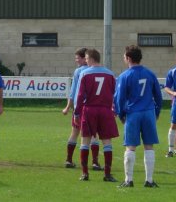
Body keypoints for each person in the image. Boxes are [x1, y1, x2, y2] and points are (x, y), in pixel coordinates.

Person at [115, 45, 163, 188]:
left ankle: (128, 180)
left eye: (124, 56)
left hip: (133, 114)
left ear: (129, 58)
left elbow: (119, 99)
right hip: (148, 112)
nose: (123, 58)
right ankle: (149, 180)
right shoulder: (150, 73)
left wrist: (121, 114)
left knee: (130, 147)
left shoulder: (125, 76)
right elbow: (158, 96)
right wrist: (157, 112)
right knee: (149, 146)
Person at [73, 49, 117, 182]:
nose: (85, 61)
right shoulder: (110, 74)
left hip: (89, 109)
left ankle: (85, 174)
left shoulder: (84, 73)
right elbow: (114, 93)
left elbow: (80, 95)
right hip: (105, 110)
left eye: (86, 58)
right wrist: (114, 108)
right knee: (107, 142)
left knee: (85, 140)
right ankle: (107, 174)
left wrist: (76, 112)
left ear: (91, 58)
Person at [61, 48, 103, 170]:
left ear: (86, 58)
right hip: (93, 107)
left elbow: (74, 91)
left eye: (78, 58)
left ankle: (69, 159)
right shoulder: (98, 70)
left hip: (80, 107)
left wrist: (69, 107)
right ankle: (95, 162)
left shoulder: (79, 71)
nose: (77, 60)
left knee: (75, 132)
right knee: (94, 134)